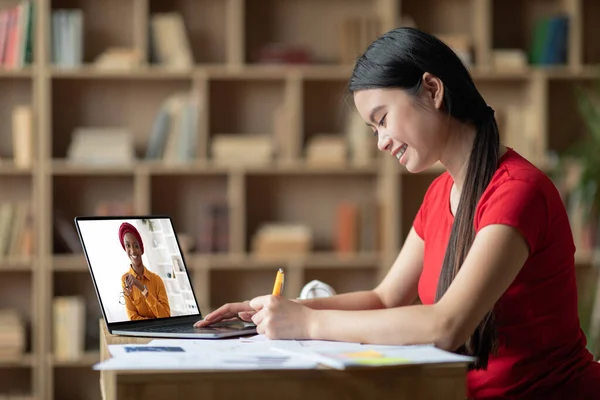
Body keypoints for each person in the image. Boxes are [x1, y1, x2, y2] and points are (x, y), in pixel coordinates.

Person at [194, 27, 600, 398]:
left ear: (432, 90)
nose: (382, 142)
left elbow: (446, 326)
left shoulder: (517, 191)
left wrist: (308, 324)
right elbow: (385, 299)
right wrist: (274, 312)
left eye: (383, 120)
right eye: (373, 131)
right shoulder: (441, 192)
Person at [119, 222, 171, 320]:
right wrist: (153, 321)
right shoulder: (124, 280)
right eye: (128, 246)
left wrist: (142, 288)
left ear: (141, 249)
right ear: (124, 248)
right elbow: (132, 318)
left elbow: (166, 316)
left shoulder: (156, 280)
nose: (133, 251)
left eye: (136, 246)